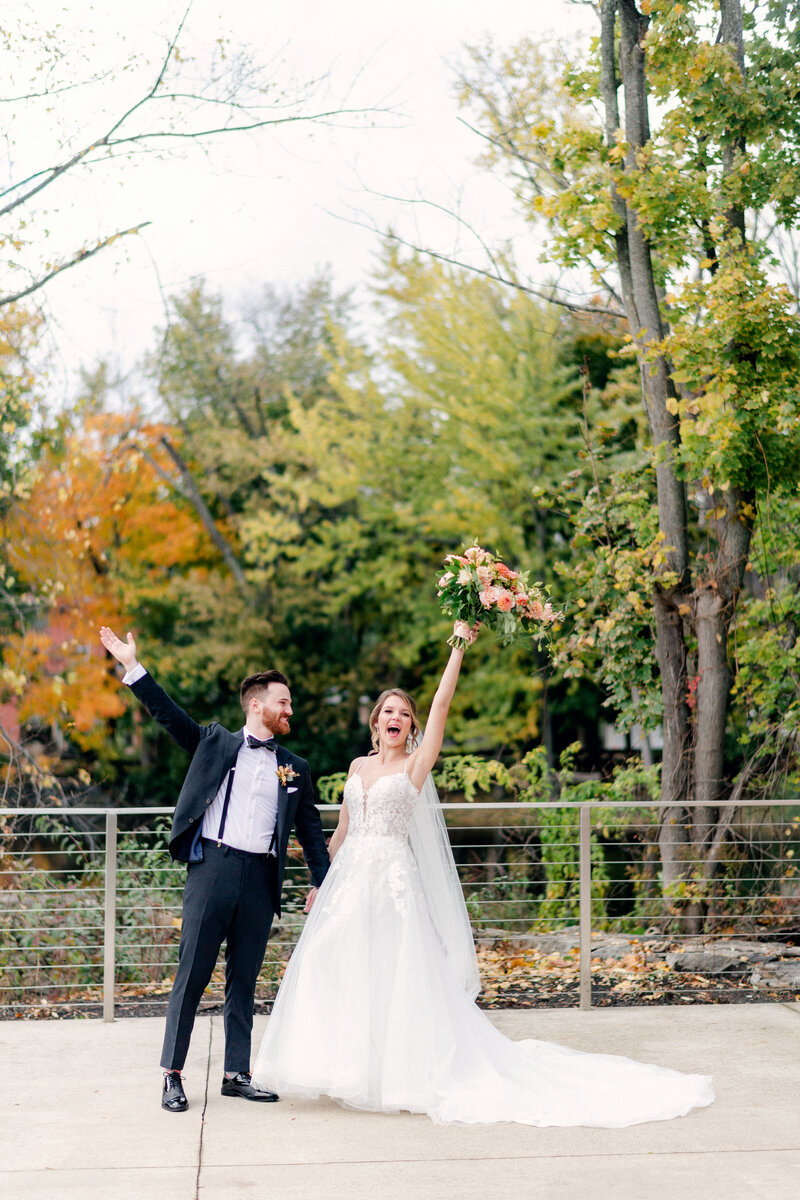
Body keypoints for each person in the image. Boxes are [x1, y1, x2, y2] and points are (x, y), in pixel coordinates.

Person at [252, 621, 714, 1127]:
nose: (397, 718)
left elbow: (443, 706)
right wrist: (320, 880)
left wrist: (457, 647)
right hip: (349, 884)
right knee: (333, 966)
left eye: (405, 714)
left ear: (411, 727)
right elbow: (340, 834)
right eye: (389, 711)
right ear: (374, 721)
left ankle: (402, 1075)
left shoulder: (415, 767)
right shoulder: (358, 768)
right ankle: (349, 1069)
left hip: (392, 885)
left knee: (395, 975)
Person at [99, 625, 329, 1114]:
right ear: (256, 705)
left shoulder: (296, 768)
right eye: (283, 702)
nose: (290, 710)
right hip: (213, 869)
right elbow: (168, 715)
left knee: (244, 979)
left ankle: (236, 1073)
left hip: (261, 881)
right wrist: (132, 667)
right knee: (193, 973)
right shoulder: (215, 742)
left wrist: (323, 884)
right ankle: (172, 1075)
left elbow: (310, 833)